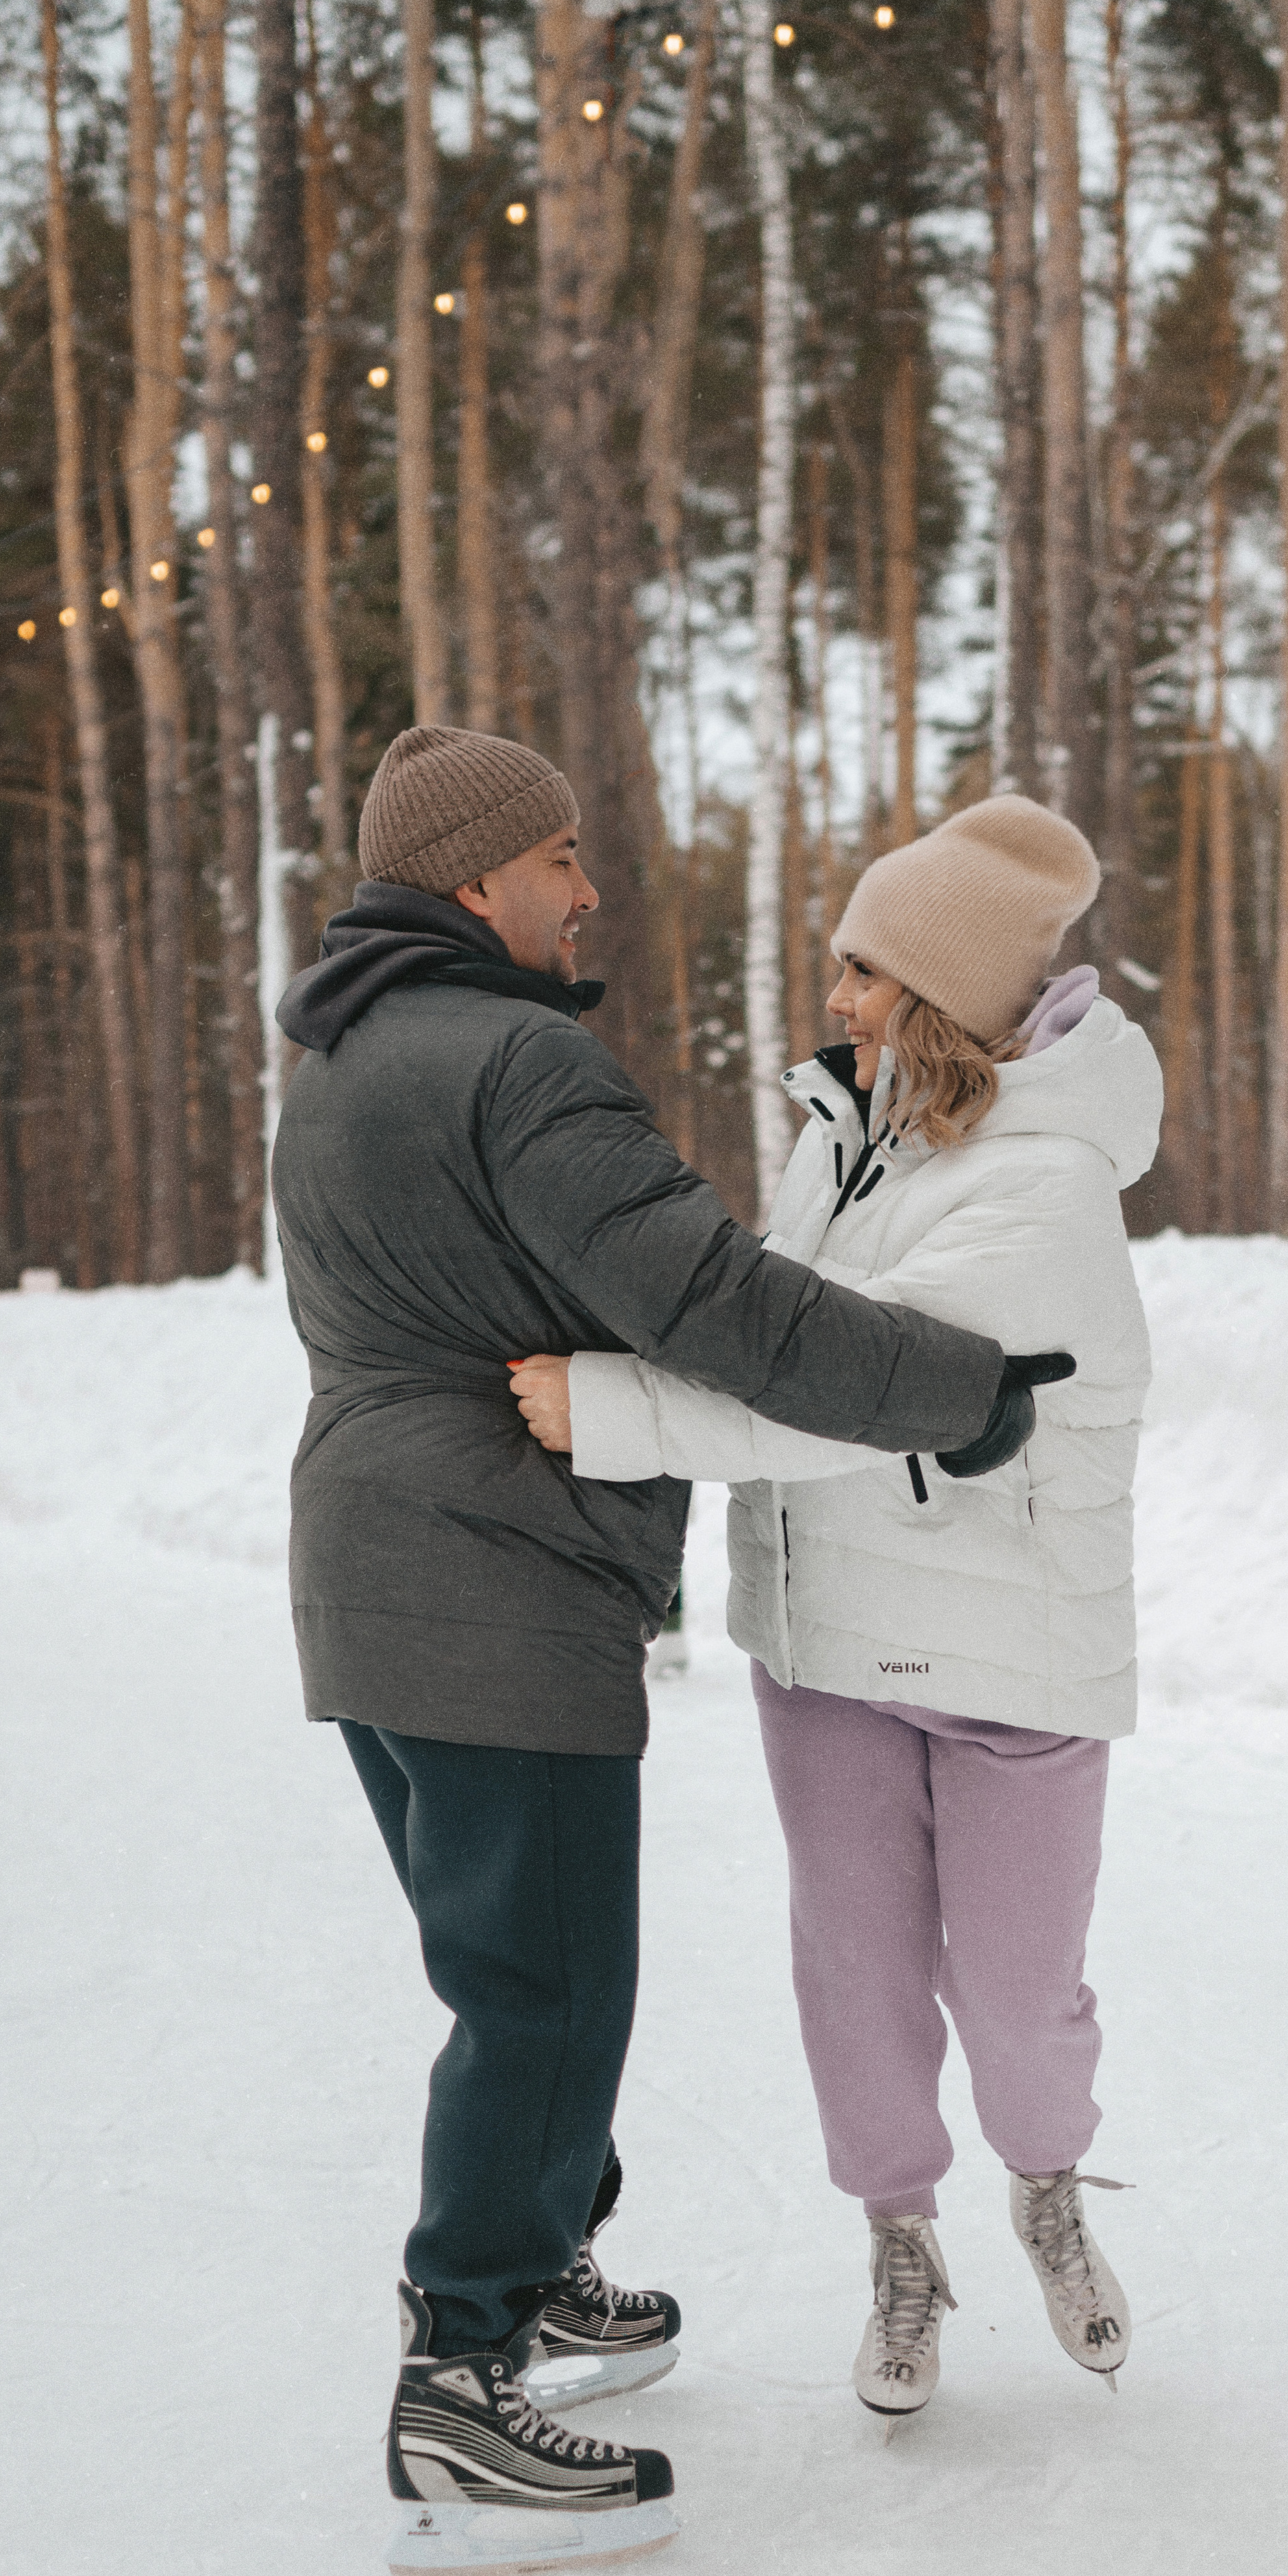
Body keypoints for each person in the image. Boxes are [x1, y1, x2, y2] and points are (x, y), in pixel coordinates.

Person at [270, 725, 1023, 2576]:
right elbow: (711, 1300)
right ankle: (460, 2378)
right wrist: (956, 1391)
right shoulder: (522, 1058)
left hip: (370, 1579)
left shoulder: (343, 1060)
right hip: (493, 1583)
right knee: (542, 1987)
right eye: (559, 859)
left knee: (506, 1961)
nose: (587, 887)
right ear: (473, 881)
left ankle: (539, 2269)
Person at [512, 794, 1163, 2431]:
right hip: (826, 1645)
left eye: (868, 972)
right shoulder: (839, 1135)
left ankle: (1045, 2184)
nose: (842, 1001)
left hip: (1013, 1650)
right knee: (854, 1978)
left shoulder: (1045, 1185)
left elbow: (834, 1392)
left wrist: (611, 1408)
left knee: (1017, 1999)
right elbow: (761, 1322)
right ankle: (897, 2236)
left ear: (942, 996)